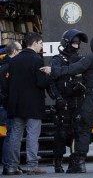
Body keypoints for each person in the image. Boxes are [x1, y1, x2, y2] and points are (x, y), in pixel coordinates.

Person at [40, 35, 93, 173]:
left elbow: (73, 69)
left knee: (83, 127)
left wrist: (53, 70)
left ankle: (79, 162)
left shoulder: (92, 57)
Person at [7, 33, 49, 175]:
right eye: (41, 43)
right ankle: (32, 165)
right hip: (33, 105)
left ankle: (12, 166)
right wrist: (48, 76)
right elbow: (41, 83)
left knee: (15, 135)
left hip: (17, 104)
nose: (42, 46)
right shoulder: (37, 60)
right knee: (32, 134)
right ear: (35, 43)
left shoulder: (13, 61)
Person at [48, 29, 88, 173]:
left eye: (78, 43)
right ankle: (58, 162)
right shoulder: (57, 60)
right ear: (66, 43)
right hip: (63, 101)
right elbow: (51, 82)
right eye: (74, 43)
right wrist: (57, 97)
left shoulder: (82, 59)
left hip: (78, 100)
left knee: (77, 132)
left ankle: (74, 161)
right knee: (61, 132)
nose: (77, 46)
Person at [0, 41, 22, 175]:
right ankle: (9, 165)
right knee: (11, 136)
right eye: (20, 50)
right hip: (7, 106)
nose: (21, 52)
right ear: (13, 51)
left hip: (5, 105)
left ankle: (10, 165)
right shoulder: (8, 67)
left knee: (11, 135)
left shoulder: (5, 66)